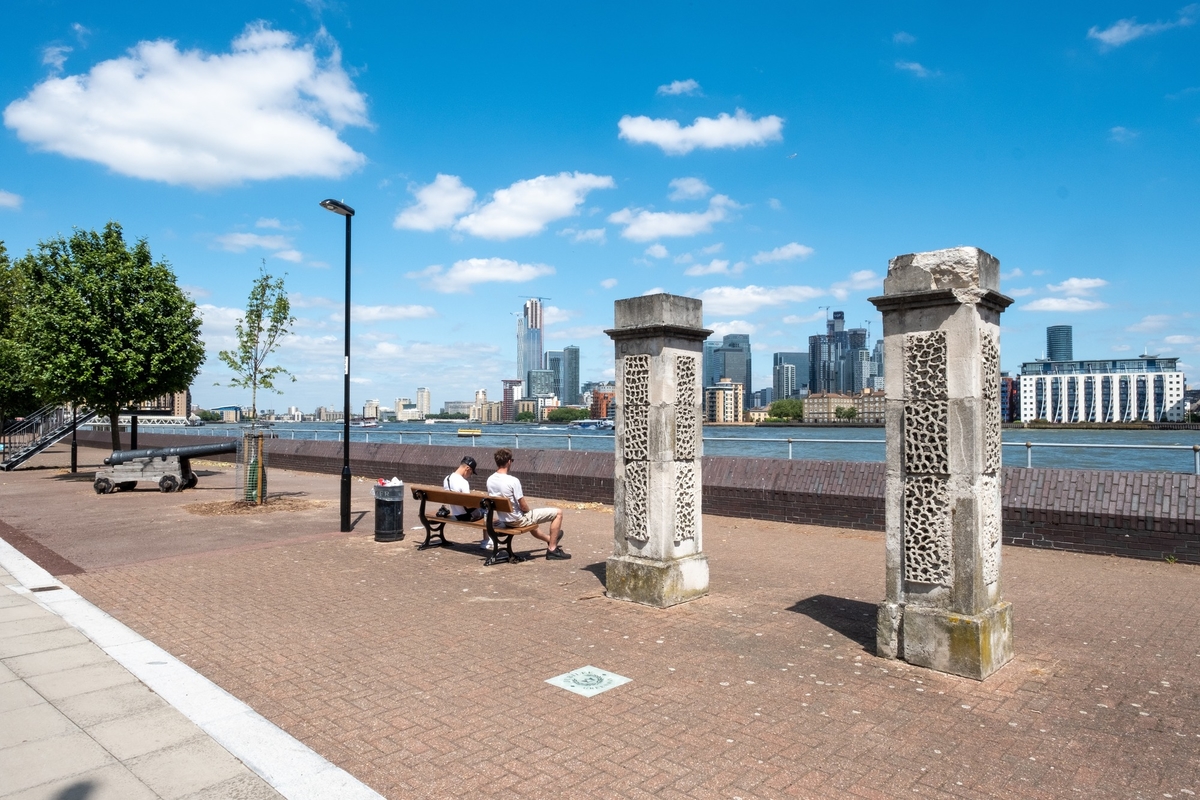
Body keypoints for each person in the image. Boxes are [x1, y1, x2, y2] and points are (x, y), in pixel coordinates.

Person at [485, 448, 569, 560]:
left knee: (532, 522)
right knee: (558, 513)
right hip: (517, 520)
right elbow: (523, 506)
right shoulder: (513, 481)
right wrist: (528, 513)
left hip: (504, 519)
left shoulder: (490, 479)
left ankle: (550, 539)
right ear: (509, 461)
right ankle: (553, 549)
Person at [442, 456, 490, 548]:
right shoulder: (463, 482)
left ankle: (487, 539)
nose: (470, 475)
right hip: (467, 516)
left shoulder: (447, 479)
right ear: (467, 468)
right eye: (471, 472)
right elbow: (468, 505)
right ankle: (486, 541)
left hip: (456, 514)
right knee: (486, 508)